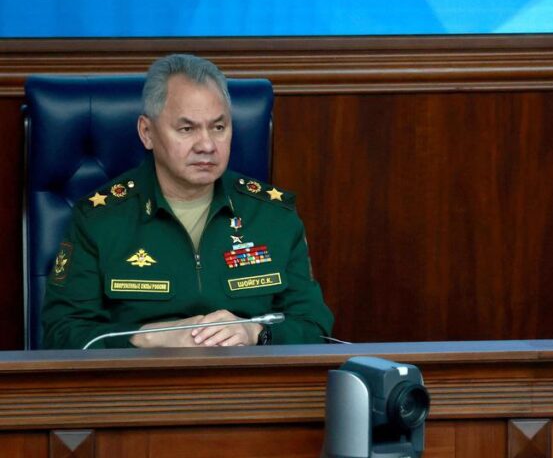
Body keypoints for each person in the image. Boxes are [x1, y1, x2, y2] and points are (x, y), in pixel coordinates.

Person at [42, 54, 334, 348]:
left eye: (218, 128)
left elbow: (315, 327)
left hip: (246, 374)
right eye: (187, 129)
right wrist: (147, 336)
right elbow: (61, 333)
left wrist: (256, 333)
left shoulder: (273, 215)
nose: (207, 145)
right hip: (141, 375)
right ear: (147, 132)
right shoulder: (99, 219)